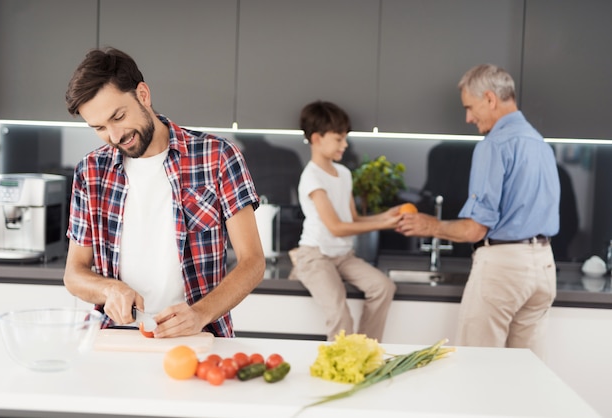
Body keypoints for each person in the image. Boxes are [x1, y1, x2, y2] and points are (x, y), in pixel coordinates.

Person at [63, 47, 265, 338]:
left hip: (198, 337)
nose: (115, 136)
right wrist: (109, 288)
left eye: (118, 116)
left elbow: (253, 263)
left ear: (143, 95)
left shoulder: (217, 156)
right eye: (99, 127)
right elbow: (74, 274)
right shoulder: (90, 171)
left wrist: (199, 314)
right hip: (118, 338)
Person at [398, 64, 560, 358]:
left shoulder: (494, 145)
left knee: (476, 364)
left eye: (470, 108)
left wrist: (429, 225)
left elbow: (475, 229)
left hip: (505, 268)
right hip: (544, 268)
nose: (468, 117)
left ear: (490, 98)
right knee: (527, 371)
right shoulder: (540, 143)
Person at [291, 100, 399, 342]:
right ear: (317, 138)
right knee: (341, 315)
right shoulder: (311, 177)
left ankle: (365, 351)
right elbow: (336, 227)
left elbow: (352, 219)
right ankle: (341, 369)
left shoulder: (344, 174)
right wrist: (384, 224)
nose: (345, 144)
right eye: (339, 138)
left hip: (343, 256)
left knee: (383, 287)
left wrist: (390, 215)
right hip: (315, 256)